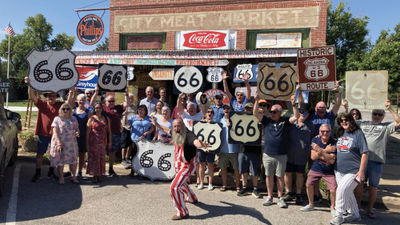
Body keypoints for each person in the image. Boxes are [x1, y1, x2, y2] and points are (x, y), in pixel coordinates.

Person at [356, 100, 400, 219]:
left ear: (383, 116)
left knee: (373, 187)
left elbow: (398, 121)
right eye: (375, 113)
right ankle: (357, 208)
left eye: (380, 114)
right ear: (371, 114)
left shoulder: (386, 127)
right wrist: (346, 107)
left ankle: (370, 210)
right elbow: (347, 122)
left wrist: (390, 108)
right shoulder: (363, 123)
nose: (376, 116)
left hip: (376, 162)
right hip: (362, 161)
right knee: (359, 185)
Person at [254, 94, 299, 208]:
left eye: (274, 112)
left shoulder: (285, 121)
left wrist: (294, 103)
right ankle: (269, 196)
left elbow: (296, 116)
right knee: (269, 176)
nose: (272, 113)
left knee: (279, 176)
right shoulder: (267, 120)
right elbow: (255, 113)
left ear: (280, 112)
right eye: (271, 111)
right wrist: (256, 100)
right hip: (268, 153)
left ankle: (280, 197)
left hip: (281, 155)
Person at [26, 77, 75, 182]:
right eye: (49, 96)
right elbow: (32, 96)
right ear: (46, 97)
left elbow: (68, 103)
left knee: (55, 154)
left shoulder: (59, 105)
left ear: (56, 97)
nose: (51, 98)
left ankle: (51, 172)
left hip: (56, 135)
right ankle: (38, 173)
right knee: (40, 154)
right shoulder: (42, 104)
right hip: (43, 133)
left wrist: (71, 92)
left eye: (53, 96)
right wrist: (29, 85)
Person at [330, 112, 369, 225]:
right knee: (348, 192)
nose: (344, 122)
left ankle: (339, 215)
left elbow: (365, 153)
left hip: (354, 171)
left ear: (351, 120)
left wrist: (361, 171)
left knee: (341, 190)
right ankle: (355, 215)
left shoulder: (358, 133)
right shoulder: (341, 132)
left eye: (346, 120)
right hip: (339, 170)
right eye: (341, 121)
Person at [169, 119, 208, 220]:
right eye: (175, 126)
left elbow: (195, 141)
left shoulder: (189, 134)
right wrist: (157, 125)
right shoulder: (174, 132)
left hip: (187, 166)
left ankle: (182, 212)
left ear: (183, 125)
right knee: (182, 183)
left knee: (174, 187)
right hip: (178, 164)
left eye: (179, 126)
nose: (177, 129)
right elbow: (167, 130)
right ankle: (192, 198)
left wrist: (201, 144)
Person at [301, 124, 337, 214]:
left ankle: (333, 207)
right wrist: (326, 151)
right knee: (308, 184)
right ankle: (311, 204)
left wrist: (319, 150)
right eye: (323, 131)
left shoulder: (334, 142)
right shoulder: (315, 140)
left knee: (333, 189)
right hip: (316, 168)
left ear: (330, 132)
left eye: (327, 131)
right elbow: (313, 157)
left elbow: (332, 160)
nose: (325, 133)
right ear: (319, 132)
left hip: (329, 170)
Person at [91, 85, 126, 176]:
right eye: (109, 101)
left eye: (112, 101)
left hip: (115, 133)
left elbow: (128, 104)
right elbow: (92, 104)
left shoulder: (118, 108)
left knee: (112, 152)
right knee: (100, 152)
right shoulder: (102, 108)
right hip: (103, 134)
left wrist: (126, 93)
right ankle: (99, 170)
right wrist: (96, 92)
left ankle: (110, 168)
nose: (111, 102)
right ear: (105, 102)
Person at [284, 102, 314, 205]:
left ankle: (298, 194)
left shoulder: (311, 125)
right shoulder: (292, 121)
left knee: (300, 174)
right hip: (289, 153)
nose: (303, 113)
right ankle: (288, 192)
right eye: (301, 111)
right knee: (287, 173)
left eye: (305, 112)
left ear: (308, 113)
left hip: (302, 155)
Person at [49, 103, 80, 184]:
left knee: (73, 160)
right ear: (61, 110)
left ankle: (74, 177)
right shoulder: (57, 119)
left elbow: (77, 129)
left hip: (71, 143)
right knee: (61, 160)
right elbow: (54, 132)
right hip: (61, 143)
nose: (65, 110)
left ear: (70, 110)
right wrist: (59, 143)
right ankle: (61, 177)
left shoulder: (74, 119)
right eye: (63, 109)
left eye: (67, 109)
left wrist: (77, 132)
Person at [237, 102, 262, 199]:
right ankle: (244, 187)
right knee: (244, 170)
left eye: (249, 109)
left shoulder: (258, 119)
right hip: (242, 149)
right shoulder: (239, 120)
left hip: (254, 149)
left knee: (255, 170)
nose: (248, 110)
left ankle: (255, 189)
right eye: (246, 109)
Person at [86, 102, 112, 183]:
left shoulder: (106, 118)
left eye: (99, 108)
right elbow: (88, 133)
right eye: (96, 108)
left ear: (102, 109)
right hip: (93, 141)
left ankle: (99, 174)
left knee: (101, 158)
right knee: (94, 158)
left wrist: (110, 142)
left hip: (103, 141)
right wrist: (87, 144)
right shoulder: (91, 119)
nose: (98, 110)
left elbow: (109, 132)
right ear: (94, 109)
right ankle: (95, 175)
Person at [219, 104, 241, 193]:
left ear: (231, 109)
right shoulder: (220, 121)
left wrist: (232, 125)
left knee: (236, 169)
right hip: (223, 149)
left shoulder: (236, 120)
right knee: (223, 168)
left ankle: (238, 186)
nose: (226, 110)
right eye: (224, 108)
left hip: (234, 149)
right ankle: (224, 185)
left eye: (228, 108)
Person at [197, 108, 217, 191]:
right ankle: (201, 182)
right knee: (201, 164)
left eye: (211, 112)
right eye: (208, 112)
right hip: (201, 146)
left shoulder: (215, 124)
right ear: (206, 114)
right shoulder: (201, 123)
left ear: (213, 114)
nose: (210, 113)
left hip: (211, 147)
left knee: (210, 165)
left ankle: (210, 183)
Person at [73, 93, 92, 178]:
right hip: (73, 136)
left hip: (84, 136)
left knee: (82, 155)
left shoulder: (88, 112)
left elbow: (90, 126)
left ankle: (79, 171)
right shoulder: (73, 111)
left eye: (83, 100)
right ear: (77, 101)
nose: (81, 101)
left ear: (85, 101)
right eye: (80, 100)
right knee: (73, 155)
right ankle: (72, 171)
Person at [120, 93, 137, 169]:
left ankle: (127, 158)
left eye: (131, 98)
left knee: (130, 144)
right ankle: (123, 159)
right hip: (124, 127)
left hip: (132, 128)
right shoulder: (123, 106)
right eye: (129, 98)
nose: (130, 99)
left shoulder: (135, 107)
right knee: (124, 145)